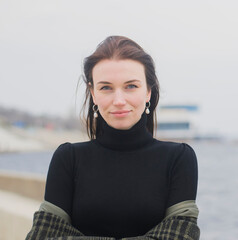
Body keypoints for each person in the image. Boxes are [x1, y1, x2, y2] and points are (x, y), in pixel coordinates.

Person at [26, 36, 200, 240]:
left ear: (148, 92)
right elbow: (42, 236)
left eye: (131, 86)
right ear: (93, 92)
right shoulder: (68, 158)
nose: (118, 100)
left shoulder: (178, 159)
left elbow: (181, 236)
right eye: (106, 87)